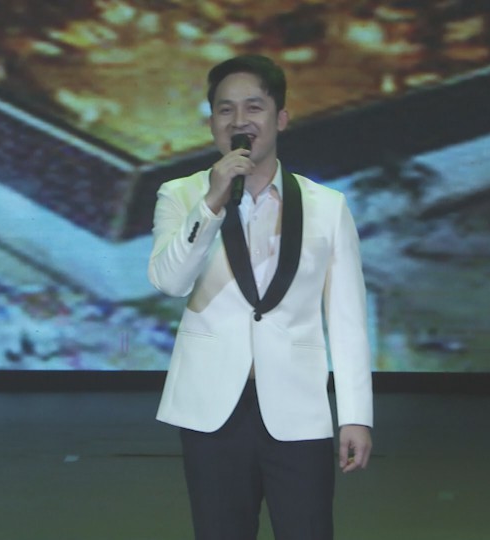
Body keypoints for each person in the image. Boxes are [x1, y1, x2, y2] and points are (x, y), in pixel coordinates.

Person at [148, 54, 373, 539]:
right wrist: (212, 202)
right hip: (212, 409)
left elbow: (348, 320)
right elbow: (169, 280)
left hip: (298, 406)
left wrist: (356, 416)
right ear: (212, 122)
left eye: (254, 107)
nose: (239, 121)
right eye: (225, 109)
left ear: (280, 119)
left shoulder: (327, 206)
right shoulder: (181, 195)